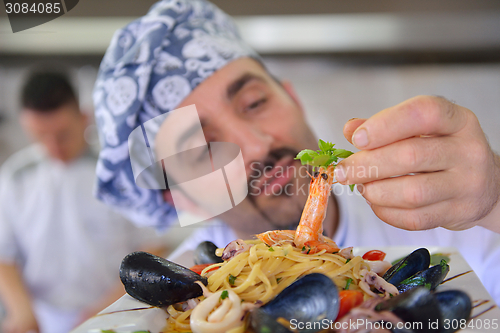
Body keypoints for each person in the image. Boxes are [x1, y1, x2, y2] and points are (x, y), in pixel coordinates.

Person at [92, 0, 500, 304]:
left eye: (254, 102)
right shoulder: (185, 297)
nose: (255, 145)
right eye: (201, 148)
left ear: (292, 98)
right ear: (176, 195)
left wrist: (495, 198)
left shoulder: (456, 219)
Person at [0, 71, 167, 333]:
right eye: (40, 135)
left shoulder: (121, 172)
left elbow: (154, 247)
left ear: (84, 118)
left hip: (116, 312)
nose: (53, 145)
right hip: (43, 318)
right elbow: (4, 255)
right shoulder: (15, 176)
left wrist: (103, 310)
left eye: (62, 133)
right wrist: (22, 312)